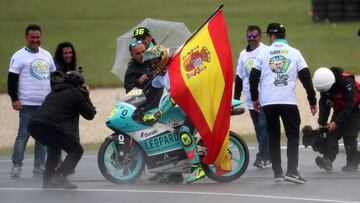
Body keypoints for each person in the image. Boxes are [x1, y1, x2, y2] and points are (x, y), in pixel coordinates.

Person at [249, 23, 317, 184]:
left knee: (273, 136)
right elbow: (306, 77)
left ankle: (278, 173)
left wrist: (255, 98)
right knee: (292, 135)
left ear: (272, 36)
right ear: (283, 35)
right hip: (288, 101)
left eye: (268, 35)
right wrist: (312, 100)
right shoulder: (295, 53)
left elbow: (253, 77)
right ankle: (292, 171)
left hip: (268, 103)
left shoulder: (263, 53)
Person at [141, 45, 205, 184]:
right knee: (163, 128)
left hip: (197, 107)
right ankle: (170, 171)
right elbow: (152, 94)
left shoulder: (174, 71)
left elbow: (173, 96)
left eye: (155, 62)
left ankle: (197, 168)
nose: (152, 65)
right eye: (150, 63)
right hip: (185, 108)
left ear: (163, 59)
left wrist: (157, 113)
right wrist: (140, 106)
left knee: (184, 133)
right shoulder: (160, 76)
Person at [28, 71, 96, 189]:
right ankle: (60, 177)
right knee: (76, 150)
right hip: (52, 126)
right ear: (78, 85)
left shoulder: (53, 92)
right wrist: (86, 96)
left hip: (35, 125)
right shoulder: (76, 93)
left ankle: (48, 181)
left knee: (54, 147)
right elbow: (90, 114)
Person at [7, 24, 56, 178]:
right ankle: (16, 165)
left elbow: (55, 77)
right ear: (26, 38)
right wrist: (14, 98)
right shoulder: (19, 56)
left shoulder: (47, 55)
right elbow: (11, 79)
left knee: (41, 137)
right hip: (27, 103)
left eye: (37, 37)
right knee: (23, 135)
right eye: (32, 37)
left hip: (44, 103)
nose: (35, 40)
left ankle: (39, 166)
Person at [234, 25, 271, 169]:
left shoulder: (266, 51)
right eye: (249, 36)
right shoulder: (243, 54)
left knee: (263, 126)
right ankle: (267, 156)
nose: (251, 39)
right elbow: (239, 77)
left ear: (260, 37)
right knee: (258, 128)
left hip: (264, 97)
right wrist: (236, 99)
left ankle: (262, 156)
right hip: (250, 100)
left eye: (254, 36)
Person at [312, 66, 360, 172]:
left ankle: (353, 162)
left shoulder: (347, 82)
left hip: (355, 108)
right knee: (331, 133)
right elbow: (324, 104)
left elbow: (349, 105)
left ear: (332, 83)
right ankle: (327, 160)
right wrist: (322, 123)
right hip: (340, 109)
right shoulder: (325, 85)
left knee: (349, 135)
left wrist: (336, 122)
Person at [124, 40, 163, 109]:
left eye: (143, 51)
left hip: (158, 99)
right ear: (132, 55)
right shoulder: (132, 69)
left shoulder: (152, 59)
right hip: (144, 106)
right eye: (138, 53)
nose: (142, 55)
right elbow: (129, 92)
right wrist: (139, 81)